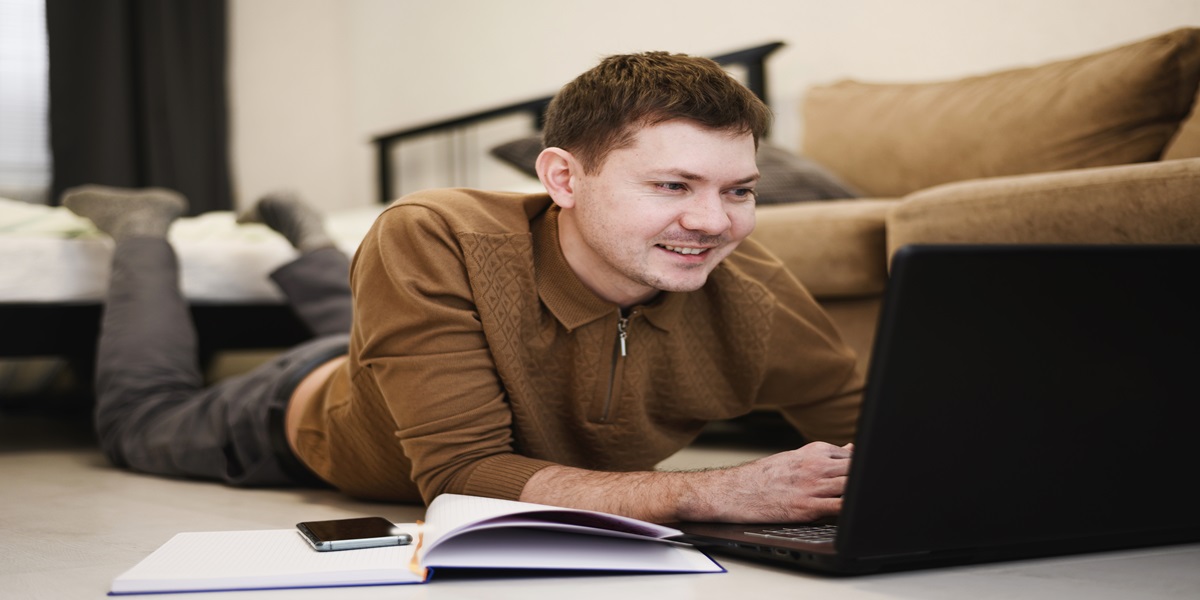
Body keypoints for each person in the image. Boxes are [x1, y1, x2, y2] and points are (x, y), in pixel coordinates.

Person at [67, 50, 863, 525]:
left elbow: (874, 431)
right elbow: (457, 476)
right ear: (562, 177)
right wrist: (715, 492)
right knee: (138, 418)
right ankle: (142, 230)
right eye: (673, 185)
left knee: (375, 333)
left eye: (740, 191)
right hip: (297, 418)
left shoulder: (751, 285)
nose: (714, 222)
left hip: (412, 361)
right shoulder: (434, 234)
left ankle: (307, 238)